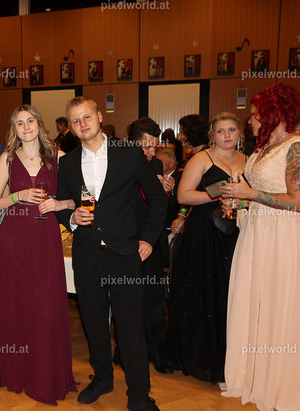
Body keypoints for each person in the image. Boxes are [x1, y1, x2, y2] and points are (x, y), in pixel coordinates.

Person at [55, 97, 165, 411]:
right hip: (88, 254)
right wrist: (72, 217)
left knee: (131, 328)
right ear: (71, 127)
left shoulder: (129, 153)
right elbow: (62, 203)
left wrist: (148, 239)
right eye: (75, 121)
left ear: (100, 116)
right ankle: (103, 378)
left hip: (125, 253)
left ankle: (139, 394)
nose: (82, 124)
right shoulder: (68, 162)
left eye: (87, 117)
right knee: (94, 324)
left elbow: (157, 199)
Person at [0, 104, 77, 405]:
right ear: (13, 129)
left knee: (46, 308)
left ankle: (46, 374)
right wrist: (18, 196)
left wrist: (59, 204)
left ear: (39, 123)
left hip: (46, 237)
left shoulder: (59, 158)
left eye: (30, 121)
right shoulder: (7, 159)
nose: (26, 127)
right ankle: (22, 373)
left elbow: (78, 199)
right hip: (14, 239)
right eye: (19, 123)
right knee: (19, 307)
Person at [220, 83, 300, 411]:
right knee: (253, 297)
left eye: (254, 114)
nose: (250, 120)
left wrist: (250, 195)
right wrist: (241, 201)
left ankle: (277, 380)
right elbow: (258, 192)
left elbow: (297, 201)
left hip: (283, 235)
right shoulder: (264, 146)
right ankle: (251, 374)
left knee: (277, 301)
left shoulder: (295, 147)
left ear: (274, 113)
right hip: (255, 231)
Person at [162, 112, 246, 384]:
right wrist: (218, 193)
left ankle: (229, 359)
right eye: (221, 131)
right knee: (204, 292)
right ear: (212, 135)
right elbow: (183, 195)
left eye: (232, 130)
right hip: (204, 232)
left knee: (230, 292)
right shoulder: (202, 158)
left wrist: (242, 200)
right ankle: (202, 359)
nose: (227, 135)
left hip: (237, 231)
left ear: (240, 133)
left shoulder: (247, 160)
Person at [121, 117, 173, 375]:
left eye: (155, 145)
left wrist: (164, 191)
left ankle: (155, 350)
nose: (152, 152)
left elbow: (158, 206)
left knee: (153, 300)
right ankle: (124, 352)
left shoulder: (156, 164)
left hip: (151, 239)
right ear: (132, 144)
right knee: (127, 300)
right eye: (147, 146)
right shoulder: (119, 163)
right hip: (126, 240)